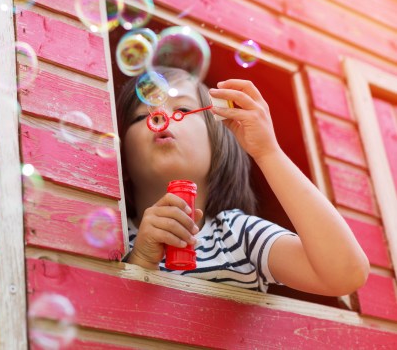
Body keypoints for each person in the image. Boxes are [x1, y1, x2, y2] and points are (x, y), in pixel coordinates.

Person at [117, 67, 369, 295]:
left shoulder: (238, 235)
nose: (160, 115)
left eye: (182, 109)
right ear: (123, 161)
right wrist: (140, 260)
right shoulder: (117, 238)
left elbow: (344, 274)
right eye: (142, 116)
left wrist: (268, 152)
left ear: (218, 146)